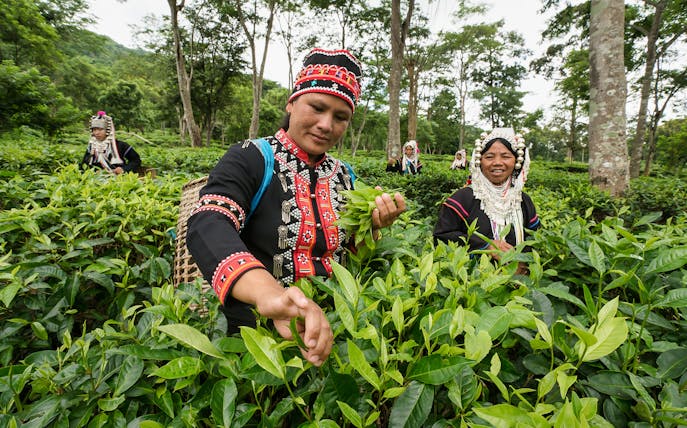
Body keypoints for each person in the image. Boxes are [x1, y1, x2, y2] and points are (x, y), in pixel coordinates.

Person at [186, 48, 406, 366]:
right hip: (258, 336)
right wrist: (271, 295)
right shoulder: (251, 156)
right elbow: (208, 222)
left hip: (333, 328)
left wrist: (372, 227)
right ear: (292, 103)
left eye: (340, 117)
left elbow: (345, 256)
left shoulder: (344, 174)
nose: (326, 125)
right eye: (317, 108)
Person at [433, 128, 540, 271]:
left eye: (505, 156)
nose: (497, 162)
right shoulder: (462, 199)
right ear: (480, 161)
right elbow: (441, 236)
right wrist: (486, 246)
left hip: (519, 284)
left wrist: (524, 263)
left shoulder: (523, 200)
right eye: (489, 157)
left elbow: (535, 239)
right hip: (472, 284)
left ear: (517, 161)